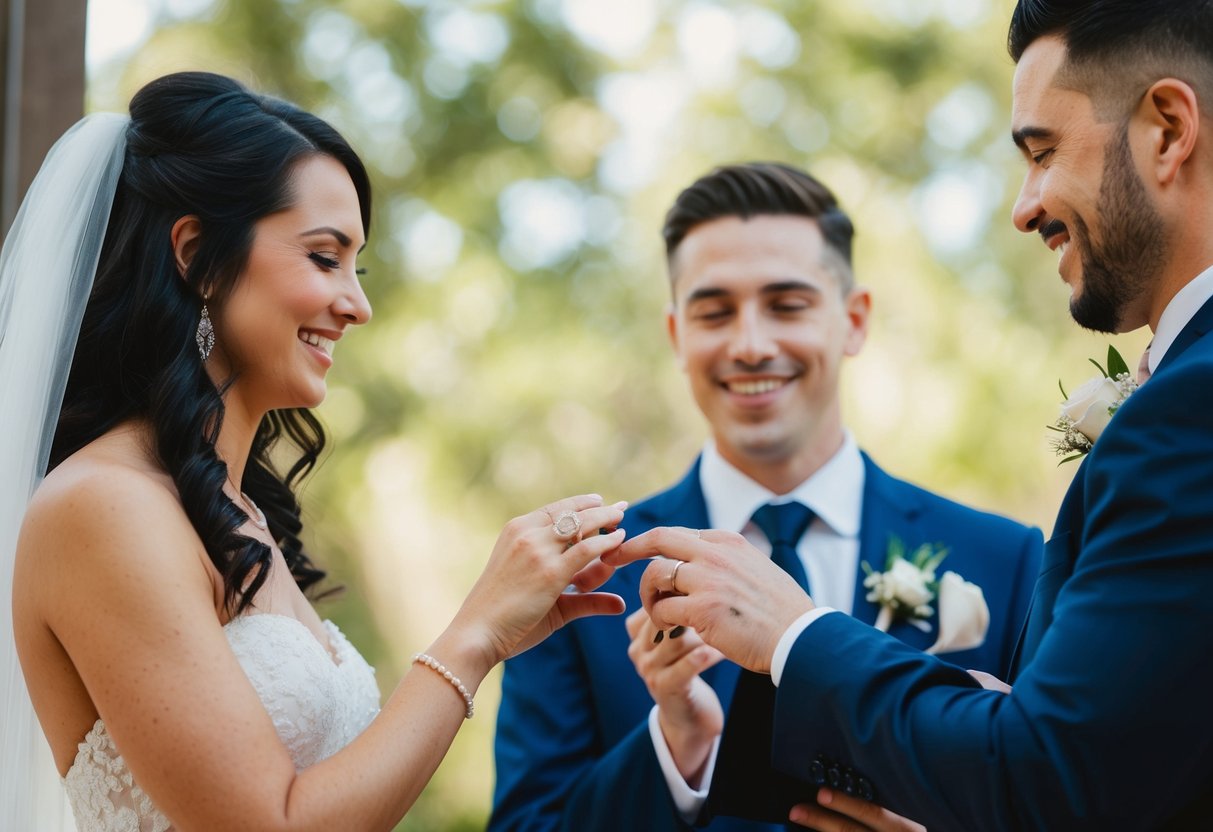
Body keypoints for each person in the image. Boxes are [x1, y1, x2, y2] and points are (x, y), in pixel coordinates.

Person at [609, 1, 1213, 829]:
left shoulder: (1185, 408)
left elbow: (1046, 775)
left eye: (1042, 153)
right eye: (715, 311)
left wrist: (793, 634)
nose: (1022, 206)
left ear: (1168, 130)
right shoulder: (599, 572)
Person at [0, 71, 628, 831]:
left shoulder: (238, 513)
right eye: (325, 258)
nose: (358, 305)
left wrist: (495, 639)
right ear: (197, 256)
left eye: (357, 268)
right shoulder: (103, 505)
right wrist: (473, 637)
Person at [490, 162, 1043, 831]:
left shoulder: (1007, 562)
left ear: (853, 321)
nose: (750, 345)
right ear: (677, 336)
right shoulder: (585, 579)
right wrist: (675, 749)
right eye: (714, 312)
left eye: (786, 305)